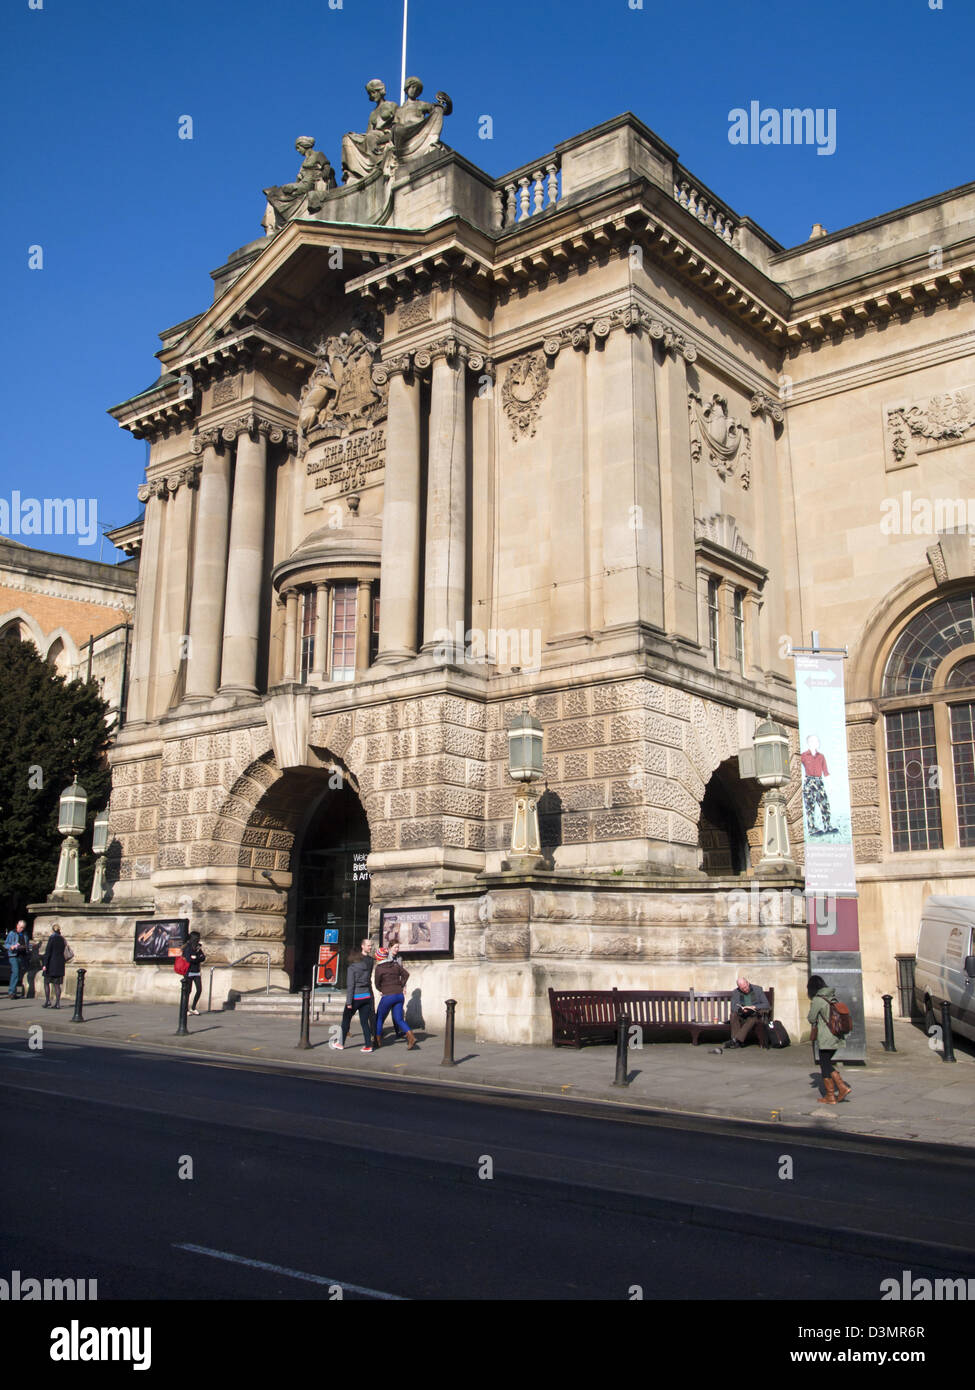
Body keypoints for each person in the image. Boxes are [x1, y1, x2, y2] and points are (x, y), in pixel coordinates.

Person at [807, 974, 852, 1103]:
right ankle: (830, 1096)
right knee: (825, 1064)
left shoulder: (818, 1000)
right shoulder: (832, 997)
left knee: (825, 1064)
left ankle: (841, 1088)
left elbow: (811, 1018)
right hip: (837, 1036)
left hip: (826, 1038)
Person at [332, 948, 376, 1052]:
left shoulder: (352, 968)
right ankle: (368, 1045)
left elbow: (350, 985)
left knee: (346, 1020)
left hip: (355, 997)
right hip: (366, 996)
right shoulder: (366, 967)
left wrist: (348, 1002)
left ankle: (341, 1043)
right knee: (364, 1022)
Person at [373, 946, 417, 1050]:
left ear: (379, 958)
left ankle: (377, 1041)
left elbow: (376, 983)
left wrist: (382, 989)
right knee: (399, 1019)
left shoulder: (379, 968)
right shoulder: (395, 965)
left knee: (379, 1018)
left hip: (388, 995)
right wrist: (401, 985)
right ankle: (411, 1037)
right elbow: (406, 974)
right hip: (399, 994)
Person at [800, 734, 836, 835]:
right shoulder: (803, 756)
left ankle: (827, 826)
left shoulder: (821, 756)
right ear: (808, 743)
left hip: (819, 782)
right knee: (810, 806)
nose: (815, 743)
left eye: (817, 741)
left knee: (825, 805)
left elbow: (826, 771)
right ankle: (812, 829)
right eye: (813, 741)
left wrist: (830, 785)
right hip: (809, 782)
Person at [724, 974, 771, 1049]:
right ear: (739, 988)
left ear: (748, 983)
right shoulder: (735, 992)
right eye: (742, 989)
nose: (745, 989)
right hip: (742, 1015)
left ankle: (735, 1040)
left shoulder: (758, 989)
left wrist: (754, 1007)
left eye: (746, 987)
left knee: (753, 1018)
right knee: (733, 1015)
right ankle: (737, 1041)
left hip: (754, 1015)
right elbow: (733, 1007)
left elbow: (766, 1004)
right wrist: (741, 1009)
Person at [41, 925, 68, 1009]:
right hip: (60, 964)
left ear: (52, 930)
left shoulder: (52, 938)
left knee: (46, 982)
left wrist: (45, 964)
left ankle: (48, 1001)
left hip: (51, 964)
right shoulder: (62, 939)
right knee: (57, 985)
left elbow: (48, 952)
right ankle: (57, 1003)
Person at [181, 931, 206, 1015]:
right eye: (197, 938)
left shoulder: (198, 948)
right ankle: (186, 1009)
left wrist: (196, 958)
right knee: (188, 991)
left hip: (196, 971)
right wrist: (196, 958)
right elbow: (189, 959)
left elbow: (203, 957)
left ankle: (193, 1007)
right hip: (189, 971)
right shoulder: (187, 947)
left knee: (199, 989)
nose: (198, 940)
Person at [5, 920, 30, 1000]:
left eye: (23, 928)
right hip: (13, 955)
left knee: (19, 973)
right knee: (15, 972)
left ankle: (15, 992)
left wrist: (27, 947)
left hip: (22, 955)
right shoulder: (12, 933)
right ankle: (11, 992)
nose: (21, 929)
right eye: (20, 927)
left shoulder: (25, 934)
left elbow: (27, 943)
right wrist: (11, 947)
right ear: (17, 925)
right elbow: (6, 944)